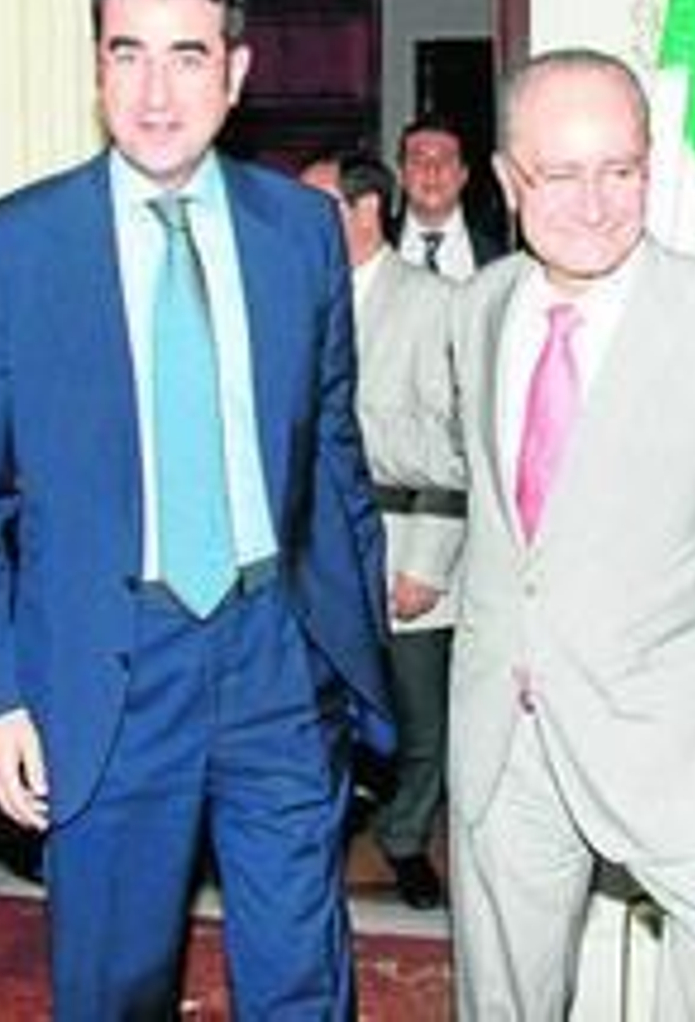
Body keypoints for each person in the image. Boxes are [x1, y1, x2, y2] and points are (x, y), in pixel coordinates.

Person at [0, 0, 391, 1019]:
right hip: (110, 667)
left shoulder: (301, 233)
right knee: (113, 987)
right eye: (126, 55)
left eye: (186, 57)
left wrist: (350, 653)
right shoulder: (14, 246)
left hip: (279, 660)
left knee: (303, 980)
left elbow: (332, 453)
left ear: (235, 73)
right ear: (95, 69)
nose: (155, 91)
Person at [359, 48, 695, 1018]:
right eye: (560, 174)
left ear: (647, 168)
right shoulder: (483, 308)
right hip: (507, 747)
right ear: (507, 180)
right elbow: (450, 458)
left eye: (619, 170)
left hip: (690, 757)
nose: (593, 204)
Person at [300, 150, 461, 911]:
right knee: (323, 711)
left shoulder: (432, 303)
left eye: (316, 206)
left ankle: (404, 837)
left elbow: (451, 439)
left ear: (365, 212)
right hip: (315, 560)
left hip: (405, 552)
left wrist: (429, 559)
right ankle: (323, 836)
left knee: (420, 718)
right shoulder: (297, 294)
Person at [396, 114, 502, 282]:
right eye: (419, 160)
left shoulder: (502, 258)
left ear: (463, 175)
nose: (432, 171)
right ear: (400, 175)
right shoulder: (372, 249)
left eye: (445, 159)